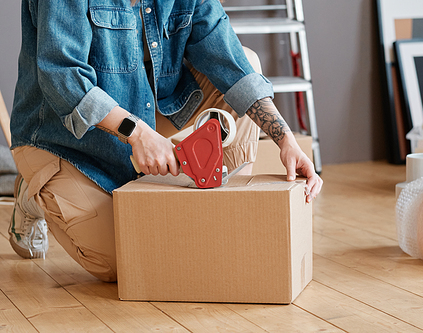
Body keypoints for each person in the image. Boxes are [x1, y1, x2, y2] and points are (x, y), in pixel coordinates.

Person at [8, 0, 323, 281]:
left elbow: (230, 60)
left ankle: (220, 212)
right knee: (126, 264)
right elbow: (63, 75)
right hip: (63, 139)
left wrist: (284, 138)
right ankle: (32, 193)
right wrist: (139, 134)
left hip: (141, 113)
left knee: (248, 60)